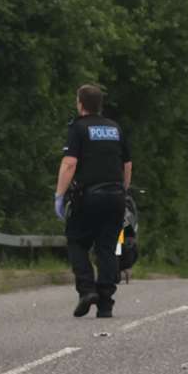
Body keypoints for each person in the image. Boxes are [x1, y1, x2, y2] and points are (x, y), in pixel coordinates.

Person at [54, 84, 132, 318]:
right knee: (107, 247)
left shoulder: (78, 128)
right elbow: (127, 164)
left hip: (90, 197)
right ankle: (106, 301)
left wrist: (59, 195)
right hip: (116, 196)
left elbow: (70, 164)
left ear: (80, 103)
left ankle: (87, 290)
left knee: (77, 241)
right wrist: (123, 191)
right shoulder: (115, 128)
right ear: (100, 105)